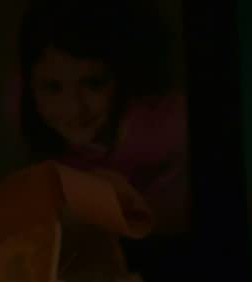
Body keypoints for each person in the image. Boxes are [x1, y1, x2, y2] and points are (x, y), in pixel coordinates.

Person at [14, 0, 189, 235]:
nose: (74, 109)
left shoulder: (168, 123)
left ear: (122, 78)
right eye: (52, 88)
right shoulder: (22, 116)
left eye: (93, 84)